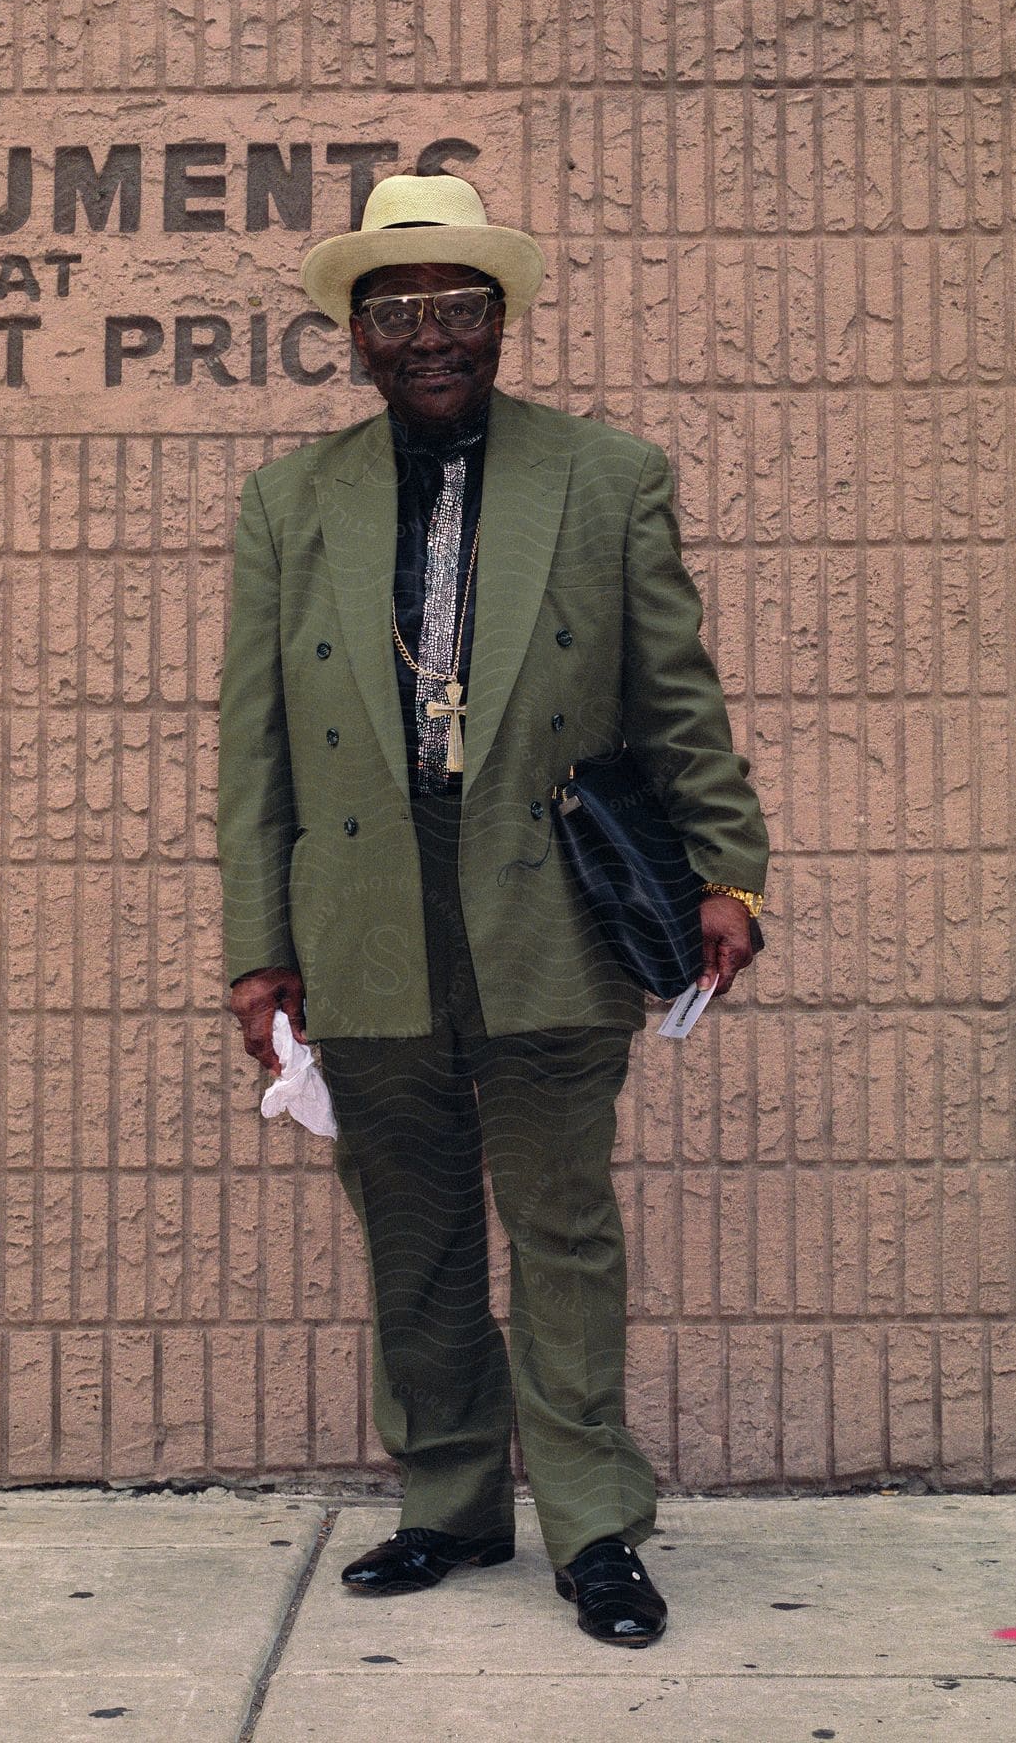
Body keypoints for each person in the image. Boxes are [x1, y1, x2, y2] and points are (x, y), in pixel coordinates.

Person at [218, 172, 769, 1647]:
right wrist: (255, 947)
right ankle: (448, 1506)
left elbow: (675, 697)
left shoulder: (605, 476)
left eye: (456, 307)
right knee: (412, 1226)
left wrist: (728, 869)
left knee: (561, 1223)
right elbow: (254, 741)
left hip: (545, 899)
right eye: (394, 315)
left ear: (500, 320)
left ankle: (594, 1530)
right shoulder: (288, 500)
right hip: (363, 901)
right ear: (355, 335)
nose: (428, 337)